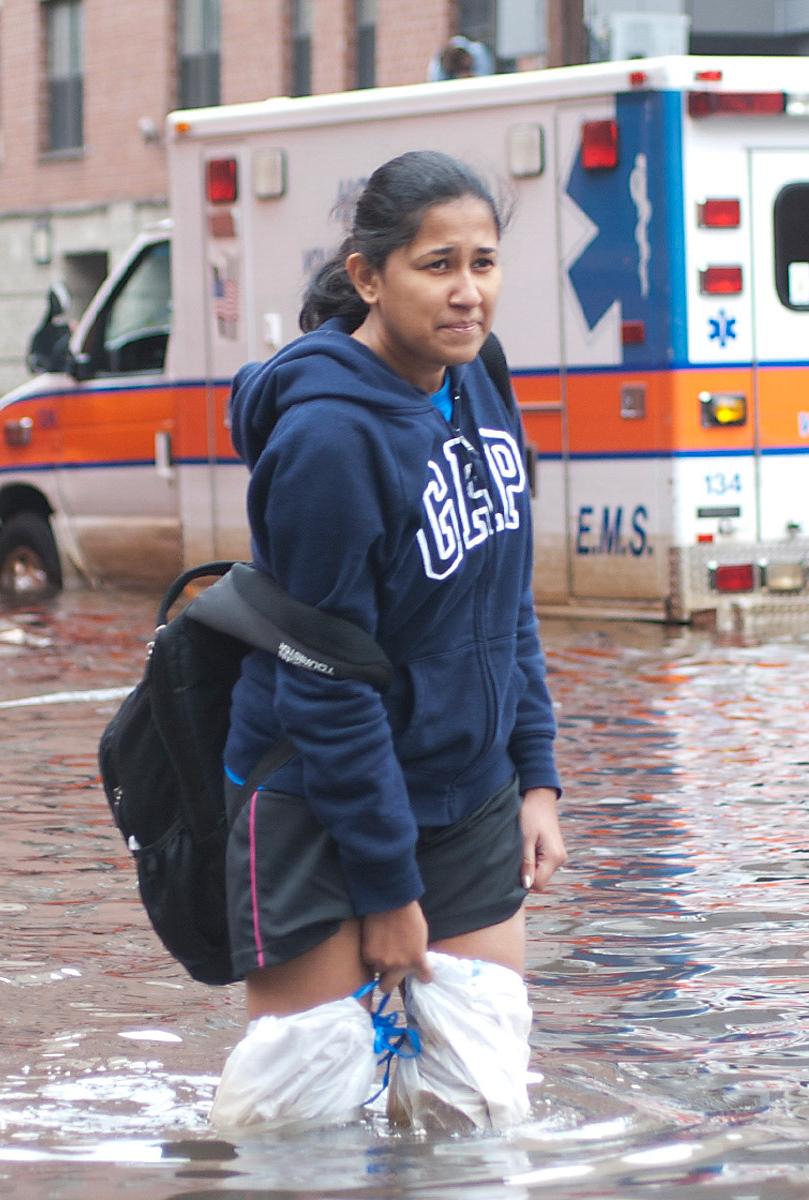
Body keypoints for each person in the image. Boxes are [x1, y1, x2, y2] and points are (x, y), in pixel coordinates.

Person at [220, 150, 566, 1030]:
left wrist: (535, 779)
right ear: (368, 277)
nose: (467, 293)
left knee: (481, 1117)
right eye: (437, 265)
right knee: (305, 1119)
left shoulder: (481, 375)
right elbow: (323, 686)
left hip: (472, 797)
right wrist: (387, 889)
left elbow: (504, 598)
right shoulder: (328, 442)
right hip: (318, 806)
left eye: (483, 264)